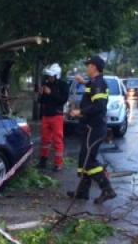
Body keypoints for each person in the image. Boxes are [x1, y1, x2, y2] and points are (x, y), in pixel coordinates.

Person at [67, 56, 116, 204]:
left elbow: (99, 106)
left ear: (94, 67)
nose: (86, 68)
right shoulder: (94, 83)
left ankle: (107, 189)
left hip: (94, 128)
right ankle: (83, 191)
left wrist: (80, 112)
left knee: (89, 161)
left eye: (88, 65)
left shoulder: (99, 84)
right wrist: (84, 82)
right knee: (84, 159)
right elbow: (92, 90)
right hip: (90, 128)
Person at [37, 63, 69, 172]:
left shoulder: (63, 85)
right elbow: (41, 101)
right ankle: (43, 161)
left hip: (57, 116)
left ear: (56, 75)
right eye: (48, 76)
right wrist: (40, 94)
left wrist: (51, 93)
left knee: (57, 140)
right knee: (45, 140)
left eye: (51, 76)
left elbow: (63, 100)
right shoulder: (46, 84)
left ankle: (58, 164)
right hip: (46, 115)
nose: (49, 78)